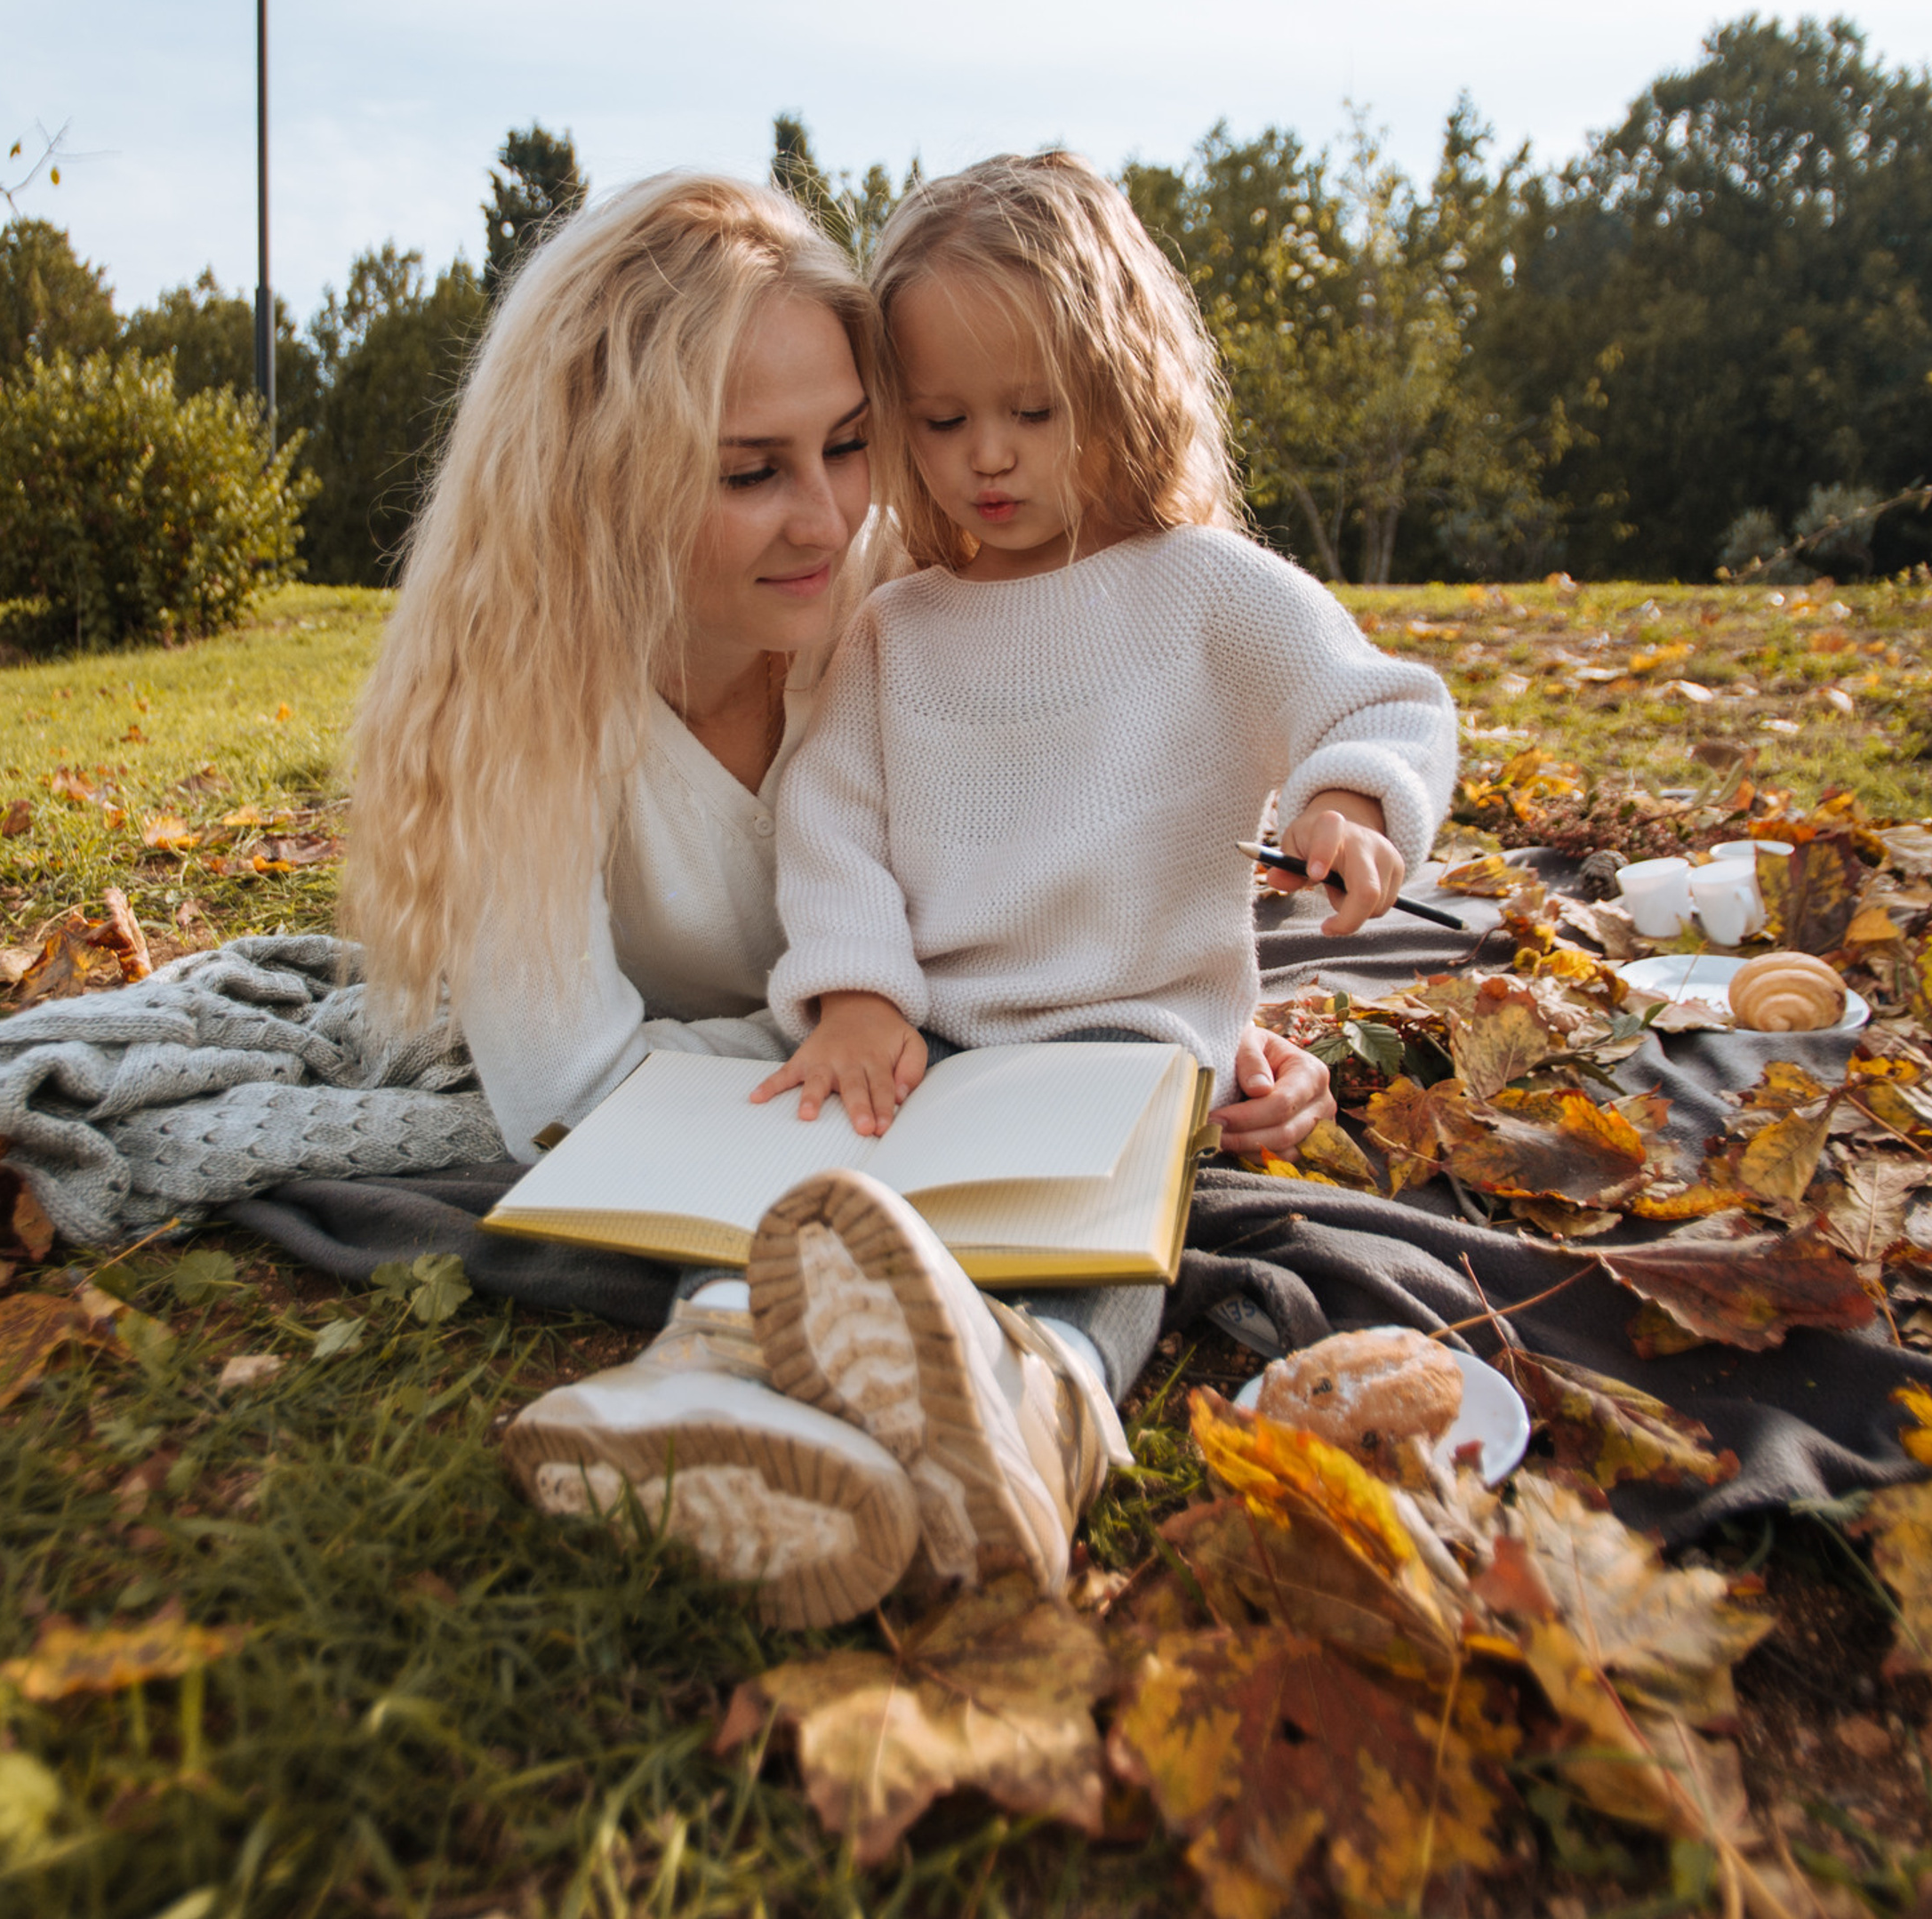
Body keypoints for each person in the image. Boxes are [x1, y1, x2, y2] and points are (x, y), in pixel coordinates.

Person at [344, 171, 1338, 1630]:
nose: (829, 519)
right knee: (836, 1201)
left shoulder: (903, 592)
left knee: (1100, 1209)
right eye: (751, 471)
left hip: (964, 1077)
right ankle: (711, 1410)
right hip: (786, 1108)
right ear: (608, 476)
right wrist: (845, 1062)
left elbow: (1100, 816)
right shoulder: (527, 713)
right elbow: (564, 1092)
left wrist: (1215, 1028)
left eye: (855, 445)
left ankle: (1030, 1414)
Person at [735, 151, 1457, 1601]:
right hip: (925, 1042)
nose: (984, 459)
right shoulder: (896, 630)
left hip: (1127, 1040)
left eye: (1032, 413)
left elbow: (1382, 705)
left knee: (1100, 1239)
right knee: (797, 1186)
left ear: (1124, 386)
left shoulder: (1207, 591)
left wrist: (1346, 802)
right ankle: (720, 1391)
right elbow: (829, 821)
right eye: (940, 422)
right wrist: (859, 993)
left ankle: (1042, 1412)